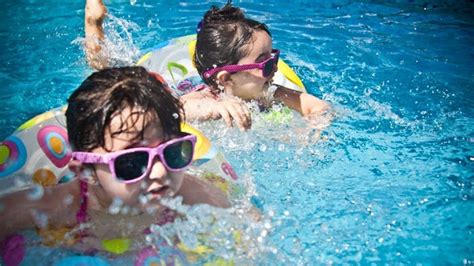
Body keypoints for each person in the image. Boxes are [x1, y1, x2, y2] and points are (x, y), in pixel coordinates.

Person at [0, 66, 230, 253]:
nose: (160, 172)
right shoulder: (55, 208)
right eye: (132, 162)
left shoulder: (193, 196)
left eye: (172, 152)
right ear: (85, 171)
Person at [84, 0, 330, 131]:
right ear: (225, 79)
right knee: (108, 77)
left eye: (273, 58)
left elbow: (314, 106)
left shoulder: (268, 91)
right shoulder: (204, 97)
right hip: (174, 89)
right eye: (264, 64)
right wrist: (214, 109)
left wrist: (315, 125)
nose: (274, 68)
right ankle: (94, 23)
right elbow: (172, 112)